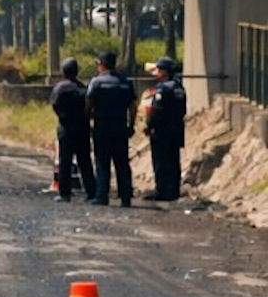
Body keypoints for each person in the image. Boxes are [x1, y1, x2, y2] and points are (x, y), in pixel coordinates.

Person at [86, 51, 138, 207]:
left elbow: (88, 103)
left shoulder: (96, 82)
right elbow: (133, 106)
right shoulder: (125, 82)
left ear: (102, 64)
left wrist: (87, 122)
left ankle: (102, 196)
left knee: (102, 163)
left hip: (102, 127)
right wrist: (131, 125)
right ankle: (126, 197)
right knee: (122, 163)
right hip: (120, 127)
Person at [50, 57, 96, 203]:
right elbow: (90, 106)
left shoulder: (59, 88)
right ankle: (91, 192)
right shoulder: (83, 88)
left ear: (63, 71)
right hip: (82, 128)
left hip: (66, 128)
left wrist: (63, 117)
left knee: (65, 161)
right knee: (85, 161)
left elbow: (54, 106)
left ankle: (65, 193)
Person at [144, 56, 188, 202]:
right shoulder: (179, 88)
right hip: (176, 129)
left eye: (158, 70)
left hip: (162, 131)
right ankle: (174, 190)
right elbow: (183, 110)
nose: (156, 73)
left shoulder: (163, 88)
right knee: (174, 160)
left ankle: (162, 191)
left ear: (164, 71)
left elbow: (157, 111)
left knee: (161, 161)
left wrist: (149, 125)